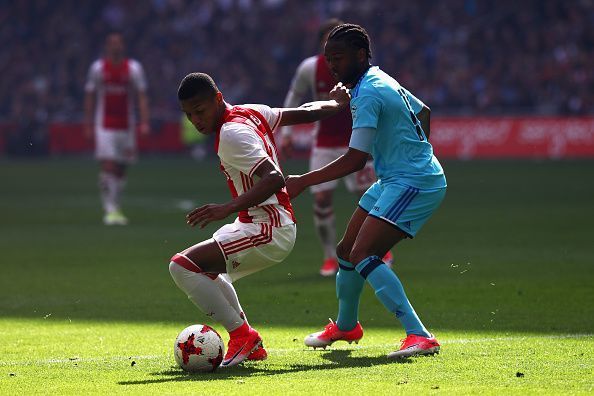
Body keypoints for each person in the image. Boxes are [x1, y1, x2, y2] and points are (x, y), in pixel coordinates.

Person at [285, 24, 447, 359]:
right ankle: (346, 326)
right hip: (395, 177)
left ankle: (419, 335)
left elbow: (355, 161)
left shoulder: (369, 92)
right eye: (329, 59)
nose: (332, 66)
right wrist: (411, 150)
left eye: (339, 58)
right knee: (346, 251)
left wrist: (303, 180)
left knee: (362, 255)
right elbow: (423, 112)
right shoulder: (375, 81)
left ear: (361, 55)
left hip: (413, 180)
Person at [169, 72, 350, 367]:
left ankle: (242, 336)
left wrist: (226, 207)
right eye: (189, 115)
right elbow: (304, 112)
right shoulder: (251, 112)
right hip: (256, 222)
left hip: (269, 227)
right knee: (208, 273)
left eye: (200, 111)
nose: (196, 121)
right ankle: (248, 341)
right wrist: (334, 104)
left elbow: (275, 178)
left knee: (182, 266)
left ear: (217, 99)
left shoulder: (231, 134)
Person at [281, 19, 392, 276]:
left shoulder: (365, 74)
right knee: (321, 200)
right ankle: (330, 256)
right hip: (324, 143)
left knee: (369, 196)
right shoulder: (310, 68)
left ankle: (380, 248)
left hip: (359, 142)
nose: (333, 60)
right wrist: (286, 134)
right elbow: (294, 97)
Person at [84, 32, 150, 225]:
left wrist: (144, 121)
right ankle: (111, 209)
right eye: (112, 43)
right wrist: (88, 123)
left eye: (118, 43)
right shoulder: (97, 69)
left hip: (126, 125)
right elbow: (90, 95)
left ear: (123, 46)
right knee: (109, 165)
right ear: (107, 46)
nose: (115, 46)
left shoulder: (133, 69)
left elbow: (141, 96)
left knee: (121, 168)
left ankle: (113, 202)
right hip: (104, 124)